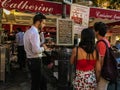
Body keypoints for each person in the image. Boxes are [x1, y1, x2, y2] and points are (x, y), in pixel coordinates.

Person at [24, 13, 48, 90]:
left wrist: (40, 45)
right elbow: (36, 50)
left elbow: (32, 47)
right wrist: (44, 48)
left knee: (40, 81)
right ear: (38, 22)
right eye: (43, 23)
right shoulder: (35, 33)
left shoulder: (28, 31)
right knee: (37, 84)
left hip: (31, 60)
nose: (44, 25)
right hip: (35, 61)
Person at [94, 22, 110, 90]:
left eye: (94, 30)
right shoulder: (105, 41)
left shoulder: (101, 43)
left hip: (102, 74)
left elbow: (101, 62)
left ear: (97, 32)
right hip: (106, 72)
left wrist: (98, 76)